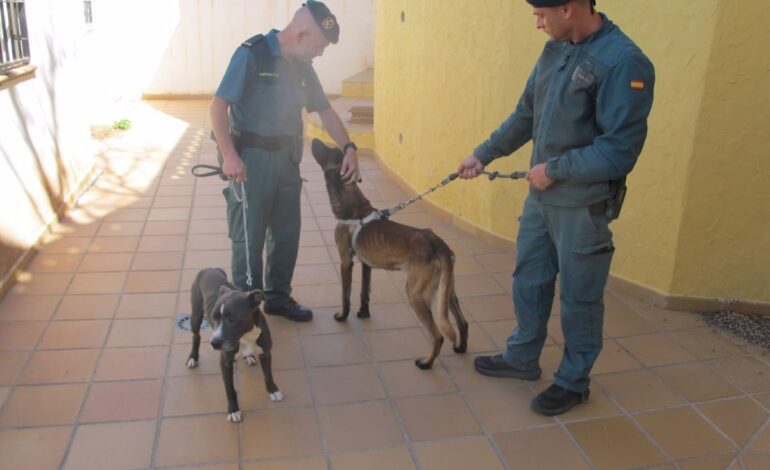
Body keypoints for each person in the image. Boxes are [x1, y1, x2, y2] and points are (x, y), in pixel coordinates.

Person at [457, 0, 654, 415]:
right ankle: (522, 357)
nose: (537, 24)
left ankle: (573, 381)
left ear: (568, 8)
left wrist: (557, 169)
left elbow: (620, 151)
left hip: (583, 206)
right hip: (542, 198)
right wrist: (484, 154)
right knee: (528, 279)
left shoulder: (624, 62)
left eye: (540, 15)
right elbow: (526, 114)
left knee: (580, 297)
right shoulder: (556, 49)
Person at [210, 1, 361, 322]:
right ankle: (242, 308)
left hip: (287, 160)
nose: (320, 53)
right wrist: (229, 155)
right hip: (250, 162)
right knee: (248, 238)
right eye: (319, 45)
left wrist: (349, 146)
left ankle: (278, 298)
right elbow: (218, 106)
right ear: (302, 33)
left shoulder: (303, 68)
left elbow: (326, 111)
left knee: (286, 232)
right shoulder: (252, 54)